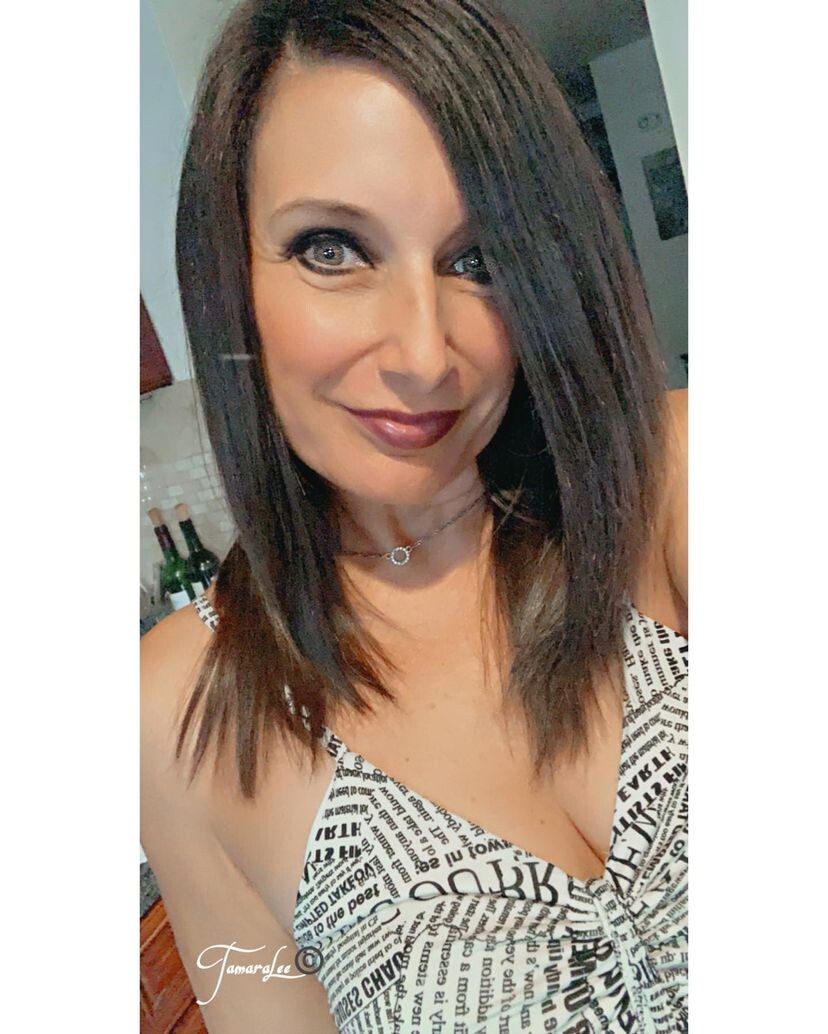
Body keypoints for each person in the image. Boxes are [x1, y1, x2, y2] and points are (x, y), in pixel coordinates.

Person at [140, 1, 688, 1031]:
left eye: (478, 260)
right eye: (332, 249)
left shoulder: (672, 482)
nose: (426, 354)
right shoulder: (180, 714)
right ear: (229, 276)